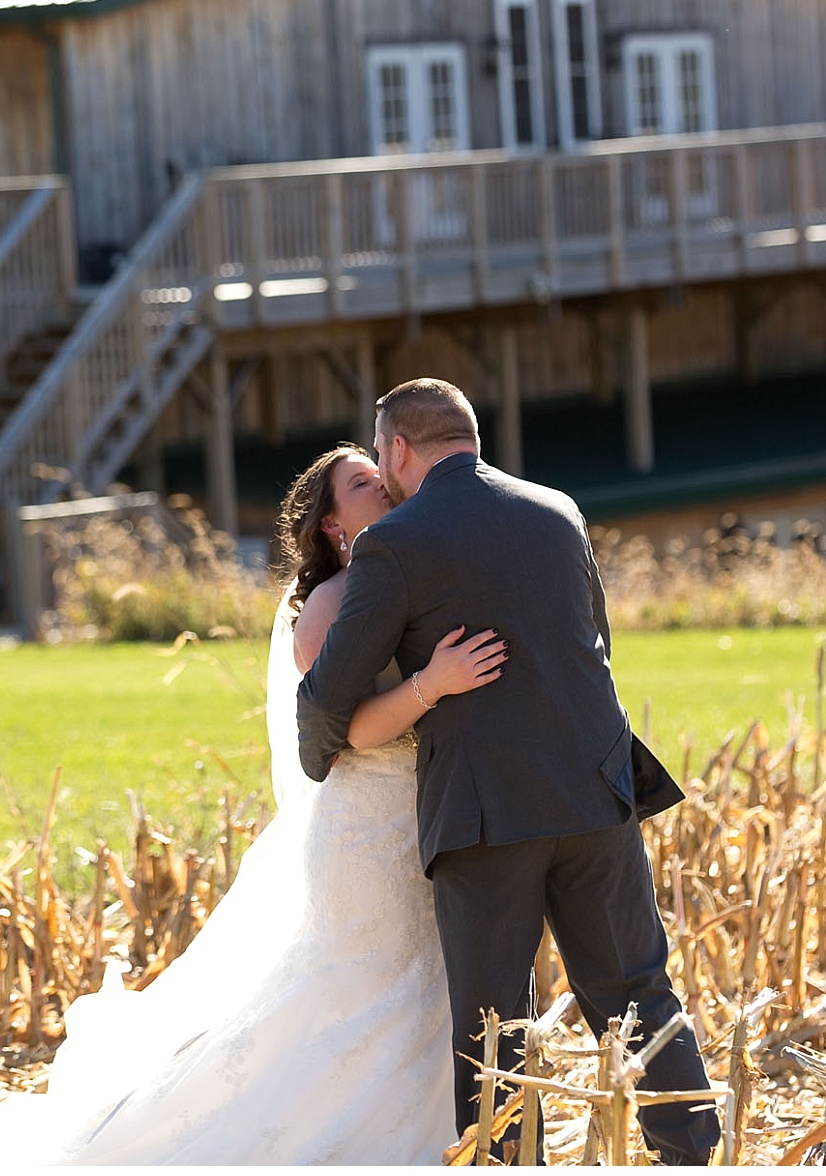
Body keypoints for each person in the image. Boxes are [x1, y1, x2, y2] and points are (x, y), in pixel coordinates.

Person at [0, 445, 503, 1165]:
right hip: (367, 833)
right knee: (363, 999)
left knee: (411, 1001)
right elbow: (344, 731)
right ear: (333, 525)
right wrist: (435, 682)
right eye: (365, 484)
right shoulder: (332, 604)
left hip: (413, 820)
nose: (387, 485)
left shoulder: (396, 576)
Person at [298, 379, 720, 1166]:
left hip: (486, 814)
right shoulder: (558, 510)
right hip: (597, 790)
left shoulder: (398, 542)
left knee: (494, 1027)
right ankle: (695, 1156)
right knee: (639, 993)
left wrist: (317, 754)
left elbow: (329, 690)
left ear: (396, 449)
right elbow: (593, 641)